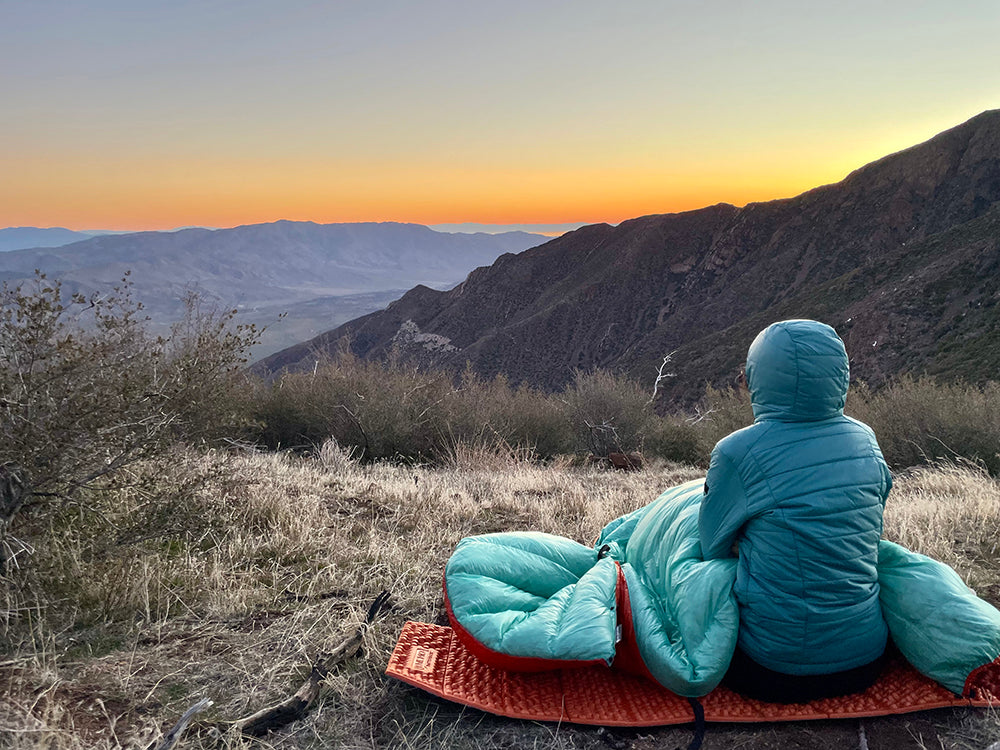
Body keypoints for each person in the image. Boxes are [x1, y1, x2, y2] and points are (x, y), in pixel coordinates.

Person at [699, 319, 892, 703]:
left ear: (759, 378)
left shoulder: (737, 452)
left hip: (774, 670)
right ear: (839, 375)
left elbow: (710, 546)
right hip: (866, 662)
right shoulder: (864, 439)